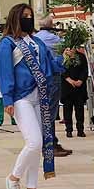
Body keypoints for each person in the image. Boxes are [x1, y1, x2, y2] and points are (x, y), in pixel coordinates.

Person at [0, 3, 67, 189]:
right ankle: (12, 178)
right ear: (16, 18)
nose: (29, 19)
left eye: (30, 15)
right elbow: (4, 72)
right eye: (25, 16)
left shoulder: (37, 42)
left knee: (38, 146)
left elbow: (51, 66)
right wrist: (7, 99)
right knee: (34, 142)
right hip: (21, 98)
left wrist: (67, 57)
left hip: (41, 97)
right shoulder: (7, 44)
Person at [33, 14, 71, 157]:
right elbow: (65, 50)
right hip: (52, 78)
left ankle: (51, 141)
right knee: (50, 112)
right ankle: (50, 145)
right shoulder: (54, 39)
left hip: (39, 79)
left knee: (44, 111)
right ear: (51, 24)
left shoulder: (36, 39)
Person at [61, 48, 89, 138]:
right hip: (67, 87)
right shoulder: (64, 57)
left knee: (80, 110)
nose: (70, 50)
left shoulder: (81, 57)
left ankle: (80, 130)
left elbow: (85, 70)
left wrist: (80, 80)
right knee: (67, 110)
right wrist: (69, 80)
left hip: (79, 88)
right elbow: (61, 70)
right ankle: (68, 129)